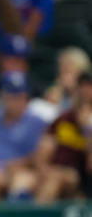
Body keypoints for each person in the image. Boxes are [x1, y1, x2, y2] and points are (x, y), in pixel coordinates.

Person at [0, 71, 47, 201]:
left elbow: (40, 157)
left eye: (20, 97)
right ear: (2, 96)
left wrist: (15, 165)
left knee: (23, 181)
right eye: (11, 97)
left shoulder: (38, 123)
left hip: (24, 172)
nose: (16, 102)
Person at [32, 71, 92, 203]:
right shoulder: (64, 119)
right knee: (24, 179)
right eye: (81, 89)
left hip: (79, 179)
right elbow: (43, 148)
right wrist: (44, 170)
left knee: (54, 180)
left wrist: (86, 129)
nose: (84, 94)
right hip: (53, 172)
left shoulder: (88, 126)